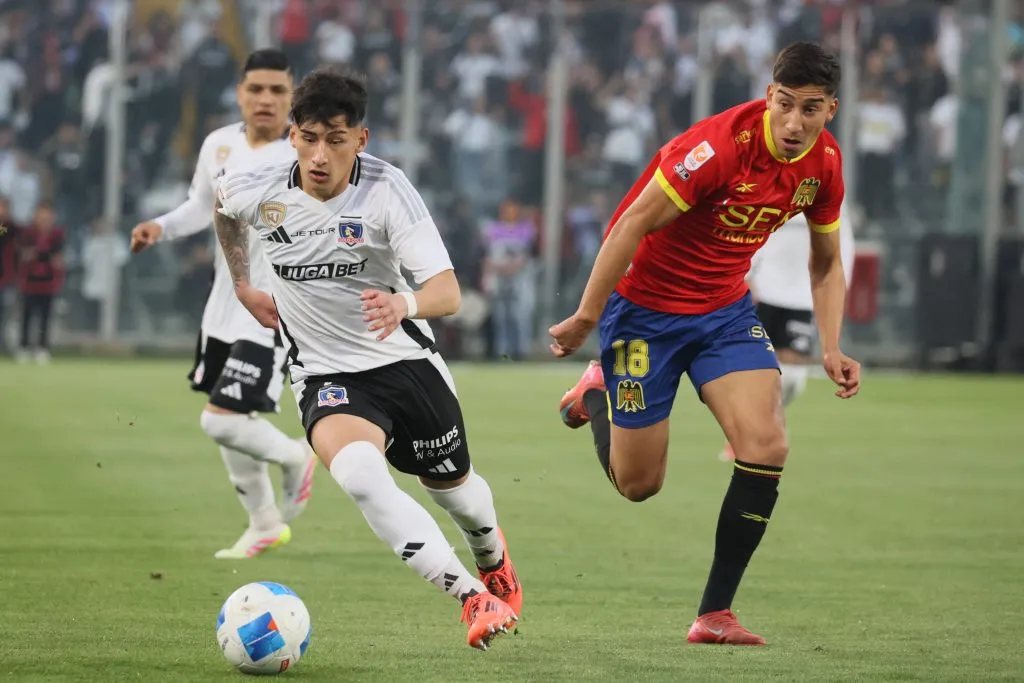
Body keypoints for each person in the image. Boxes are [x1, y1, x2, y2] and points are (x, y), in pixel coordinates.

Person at [550, 42, 861, 646]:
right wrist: (588, 315)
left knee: (767, 444)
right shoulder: (718, 148)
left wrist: (831, 346)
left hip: (724, 313)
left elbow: (826, 263)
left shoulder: (824, 164)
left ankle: (714, 614)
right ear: (769, 96)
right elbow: (632, 223)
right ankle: (595, 395)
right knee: (639, 485)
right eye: (785, 104)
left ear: (831, 109)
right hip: (643, 314)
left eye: (810, 109)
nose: (794, 122)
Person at [213, 68, 521, 651]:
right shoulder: (257, 185)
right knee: (359, 476)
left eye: (335, 139)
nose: (319, 155)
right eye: (308, 138)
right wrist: (242, 282)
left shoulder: (387, 190)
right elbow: (224, 208)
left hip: (404, 362)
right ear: (292, 135)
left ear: (361, 138)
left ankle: (492, 557)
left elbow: (448, 292)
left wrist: (404, 303)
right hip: (324, 374)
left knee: (455, 492)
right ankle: (471, 597)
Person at [129, 49, 316, 560]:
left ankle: (296, 455)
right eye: (256, 89)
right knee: (231, 420)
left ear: (292, 96)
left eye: (277, 90)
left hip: (273, 308)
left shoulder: (304, 152)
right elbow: (200, 205)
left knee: (221, 418)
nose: (265, 99)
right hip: (225, 302)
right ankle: (263, 523)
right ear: (240, 93)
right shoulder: (218, 143)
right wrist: (160, 227)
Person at [719, 204, 856, 461]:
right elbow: (755, 231)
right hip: (765, 289)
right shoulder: (774, 191)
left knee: (792, 377)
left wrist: (839, 287)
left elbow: (842, 245)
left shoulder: (829, 193)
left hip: (803, 296)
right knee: (753, 368)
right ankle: (746, 433)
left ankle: (762, 423)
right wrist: (746, 275)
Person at [16, 203, 64, 364]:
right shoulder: (27, 234)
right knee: (26, 316)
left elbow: (59, 260)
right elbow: (23, 256)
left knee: (45, 317)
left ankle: (43, 348)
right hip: (29, 283)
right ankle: (23, 347)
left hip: (48, 283)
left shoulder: (57, 236)